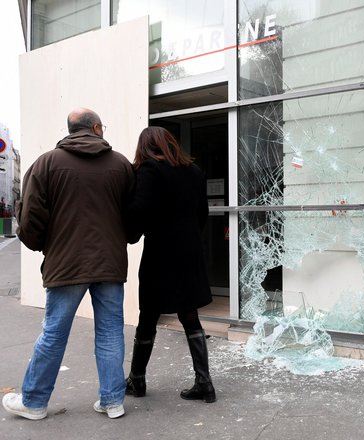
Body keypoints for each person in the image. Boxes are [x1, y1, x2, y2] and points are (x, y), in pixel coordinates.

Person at [2, 108, 134, 420]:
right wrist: (125, 238)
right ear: (97, 127)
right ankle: (113, 401)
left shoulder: (46, 163)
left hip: (66, 264)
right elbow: (133, 213)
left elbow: (30, 216)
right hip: (110, 264)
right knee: (111, 330)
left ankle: (34, 402)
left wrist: (45, 246)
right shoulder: (121, 164)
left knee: (54, 332)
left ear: (71, 129)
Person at [125, 126, 216, 403]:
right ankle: (205, 383)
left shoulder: (150, 170)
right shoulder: (194, 172)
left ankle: (137, 380)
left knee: (148, 316)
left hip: (161, 253)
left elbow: (139, 211)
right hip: (188, 253)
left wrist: (131, 234)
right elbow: (203, 213)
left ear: (145, 147)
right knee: (189, 315)